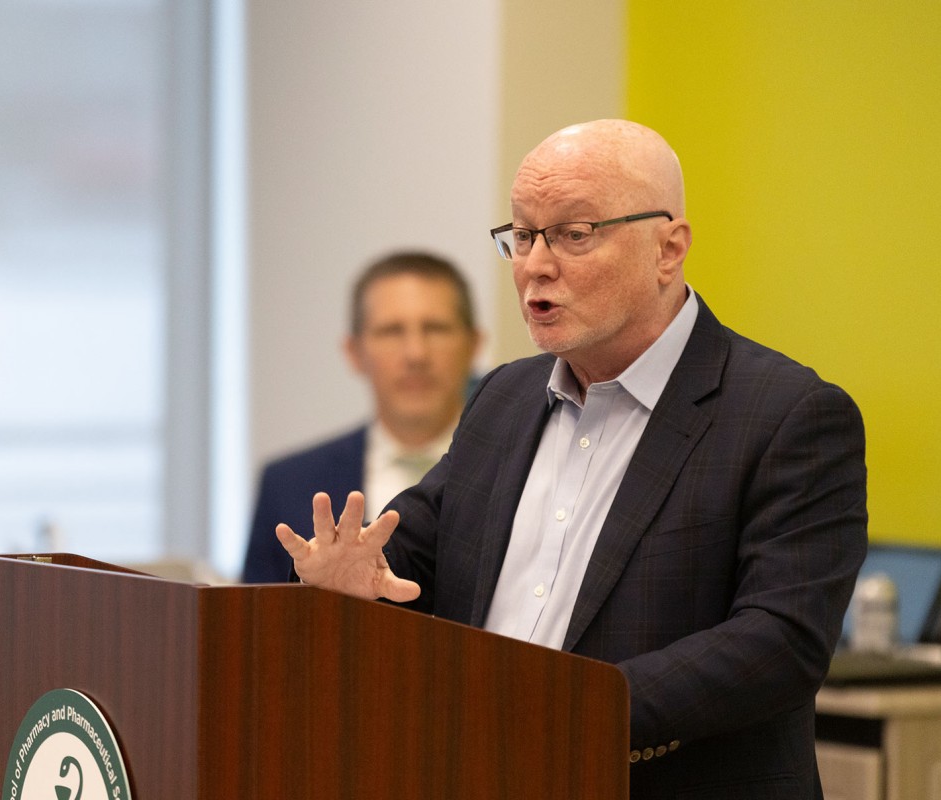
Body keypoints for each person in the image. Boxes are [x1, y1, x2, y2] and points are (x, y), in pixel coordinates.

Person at [276, 120, 867, 797]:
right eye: (523, 236)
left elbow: (779, 643)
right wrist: (354, 584)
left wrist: (565, 711)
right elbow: (420, 548)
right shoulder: (504, 396)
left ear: (668, 249)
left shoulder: (788, 415)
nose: (536, 265)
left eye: (574, 234)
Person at [240, 251, 482, 583]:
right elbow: (253, 627)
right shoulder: (287, 484)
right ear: (354, 352)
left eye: (436, 328)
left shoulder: (519, 473)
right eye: (391, 331)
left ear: (474, 345)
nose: (416, 354)